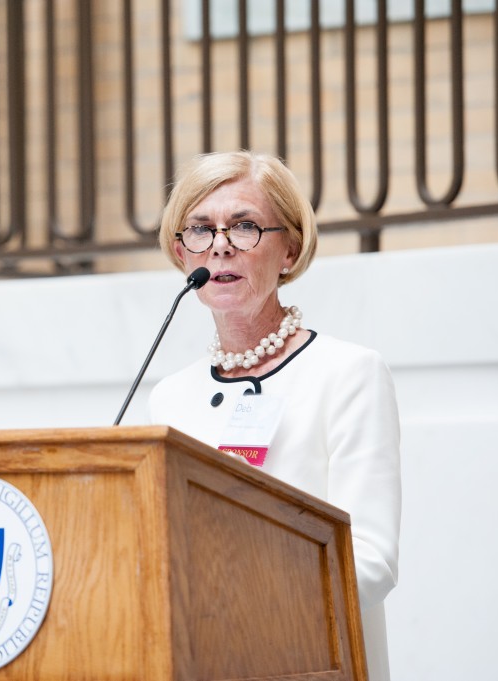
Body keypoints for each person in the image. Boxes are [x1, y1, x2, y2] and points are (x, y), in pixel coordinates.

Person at [148, 150, 401, 681]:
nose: (220, 245)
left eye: (244, 226)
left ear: (289, 249)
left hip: (309, 659)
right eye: (201, 228)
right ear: (181, 251)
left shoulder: (348, 374)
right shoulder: (169, 397)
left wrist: (239, 600)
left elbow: (371, 560)